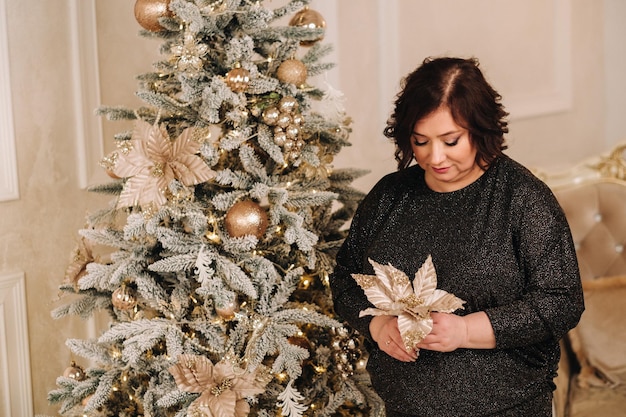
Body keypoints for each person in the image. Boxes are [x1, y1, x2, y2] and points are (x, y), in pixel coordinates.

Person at [330, 57, 584, 417]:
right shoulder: (390, 196)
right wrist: (376, 324)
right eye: (420, 141)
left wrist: (466, 331)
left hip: (506, 407)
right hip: (404, 406)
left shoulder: (523, 199)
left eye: (451, 141)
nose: (435, 157)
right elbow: (345, 275)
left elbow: (561, 301)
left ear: (481, 130)